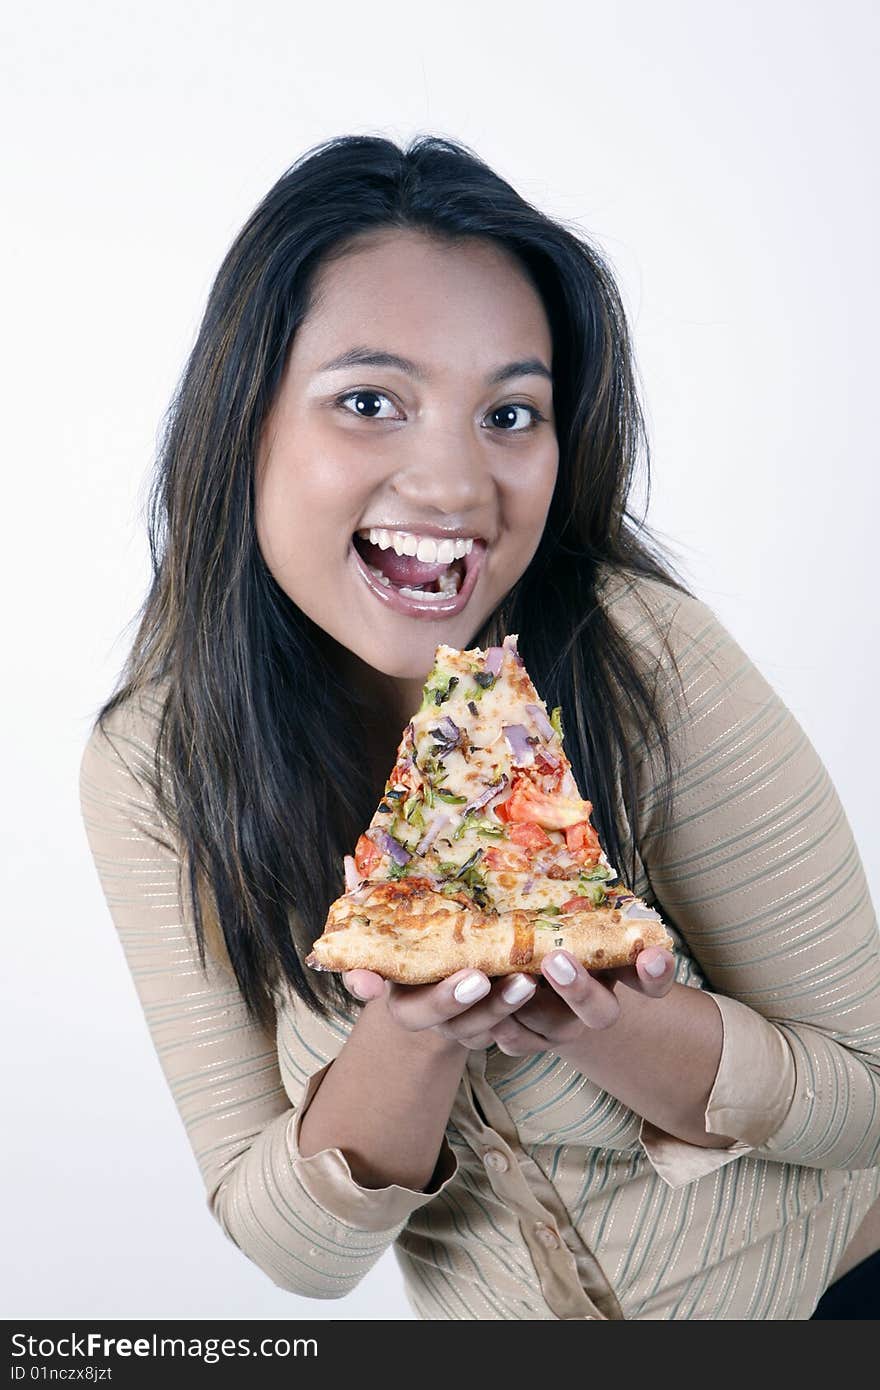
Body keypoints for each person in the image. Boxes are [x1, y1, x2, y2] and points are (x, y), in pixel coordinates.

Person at [79, 133, 880, 1321]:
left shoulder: (642, 658)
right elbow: (294, 1252)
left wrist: (604, 1017)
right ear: (241, 417)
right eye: (367, 402)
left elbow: (866, 1092)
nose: (454, 484)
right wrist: (411, 1036)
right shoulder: (153, 768)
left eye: (510, 413)